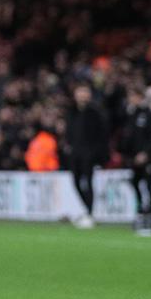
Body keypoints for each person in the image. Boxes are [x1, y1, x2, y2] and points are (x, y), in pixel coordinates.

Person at [62, 84, 109, 228]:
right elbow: (69, 131)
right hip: (75, 153)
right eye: (79, 92)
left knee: (88, 182)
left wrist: (97, 153)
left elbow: (102, 134)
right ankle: (87, 211)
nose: (82, 95)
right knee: (76, 182)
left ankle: (89, 213)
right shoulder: (71, 112)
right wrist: (68, 145)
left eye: (85, 92)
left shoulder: (95, 112)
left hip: (89, 153)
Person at [121, 89, 151, 218]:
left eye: (133, 97)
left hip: (148, 157)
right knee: (135, 182)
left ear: (140, 98)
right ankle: (141, 207)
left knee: (149, 184)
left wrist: (146, 153)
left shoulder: (150, 115)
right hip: (134, 157)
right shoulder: (131, 115)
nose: (131, 100)